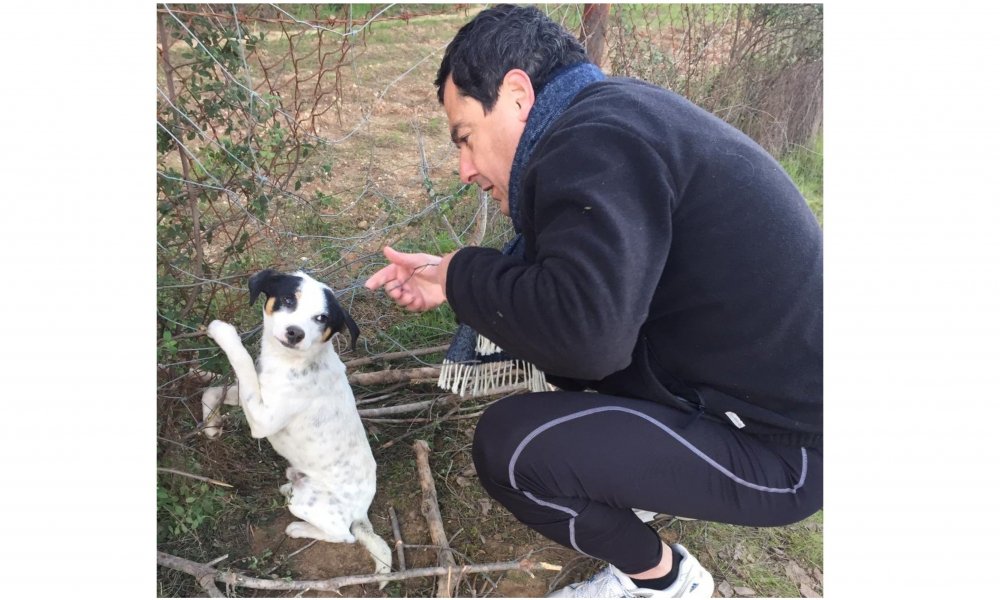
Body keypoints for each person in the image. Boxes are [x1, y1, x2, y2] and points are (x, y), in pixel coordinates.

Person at [365, 5, 822, 598]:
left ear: (517, 95)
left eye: (466, 138)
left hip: (790, 454)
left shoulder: (592, 143)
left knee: (512, 451)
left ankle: (664, 580)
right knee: (572, 373)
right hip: (778, 401)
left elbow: (584, 339)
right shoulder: (614, 119)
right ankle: (643, 486)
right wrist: (452, 281)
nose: (465, 168)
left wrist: (463, 275)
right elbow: (576, 305)